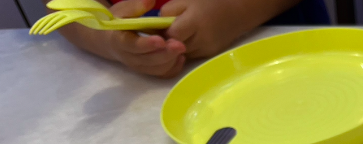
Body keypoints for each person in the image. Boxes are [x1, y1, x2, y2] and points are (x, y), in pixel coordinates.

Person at [58, 0, 330, 78]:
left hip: (283, 53)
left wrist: (236, 11)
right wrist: (107, 39)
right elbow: (60, 8)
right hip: (139, 91)